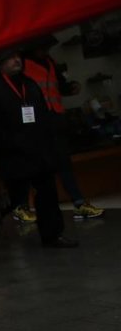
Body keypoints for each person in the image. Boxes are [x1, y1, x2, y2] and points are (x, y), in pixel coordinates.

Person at [0, 52, 78, 249]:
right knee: (15, 198)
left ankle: (52, 235)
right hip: (13, 154)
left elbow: (42, 112)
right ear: (0, 64)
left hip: (39, 150)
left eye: (18, 57)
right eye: (10, 58)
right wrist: (11, 143)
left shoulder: (29, 84)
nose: (17, 60)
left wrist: (49, 137)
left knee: (47, 192)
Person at [21, 42, 104, 221]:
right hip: (37, 123)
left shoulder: (49, 62)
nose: (45, 50)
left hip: (56, 119)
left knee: (63, 163)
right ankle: (28, 207)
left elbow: (59, 85)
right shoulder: (23, 64)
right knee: (39, 167)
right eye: (41, 47)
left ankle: (79, 203)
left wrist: (70, 87)